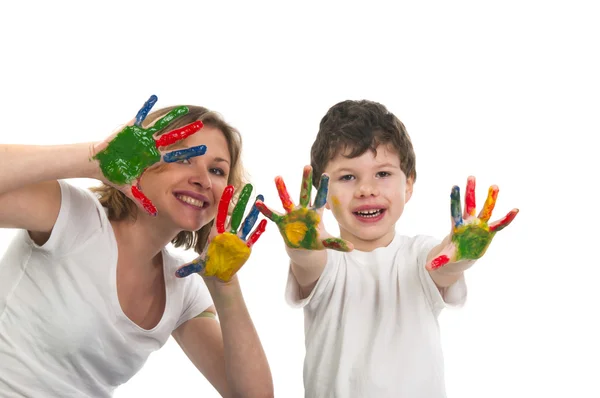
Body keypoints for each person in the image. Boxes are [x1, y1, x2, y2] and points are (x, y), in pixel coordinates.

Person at [0, 96, 274, 397]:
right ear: (141, 160)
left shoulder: (182, 287)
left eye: (217, 171)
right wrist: (92, 157)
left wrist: (225, 286)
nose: (203, 180)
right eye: (183, 158)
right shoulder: (72, 215)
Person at [256, 99, 519, 397]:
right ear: (324, 195)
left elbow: (444, 266)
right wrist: (300, 245)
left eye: (382, 174)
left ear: (408, 185)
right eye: (347, 177)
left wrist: (462, 254)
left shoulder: (419, 255)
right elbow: (308, 261)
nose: (366, 189)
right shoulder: (327, 261)